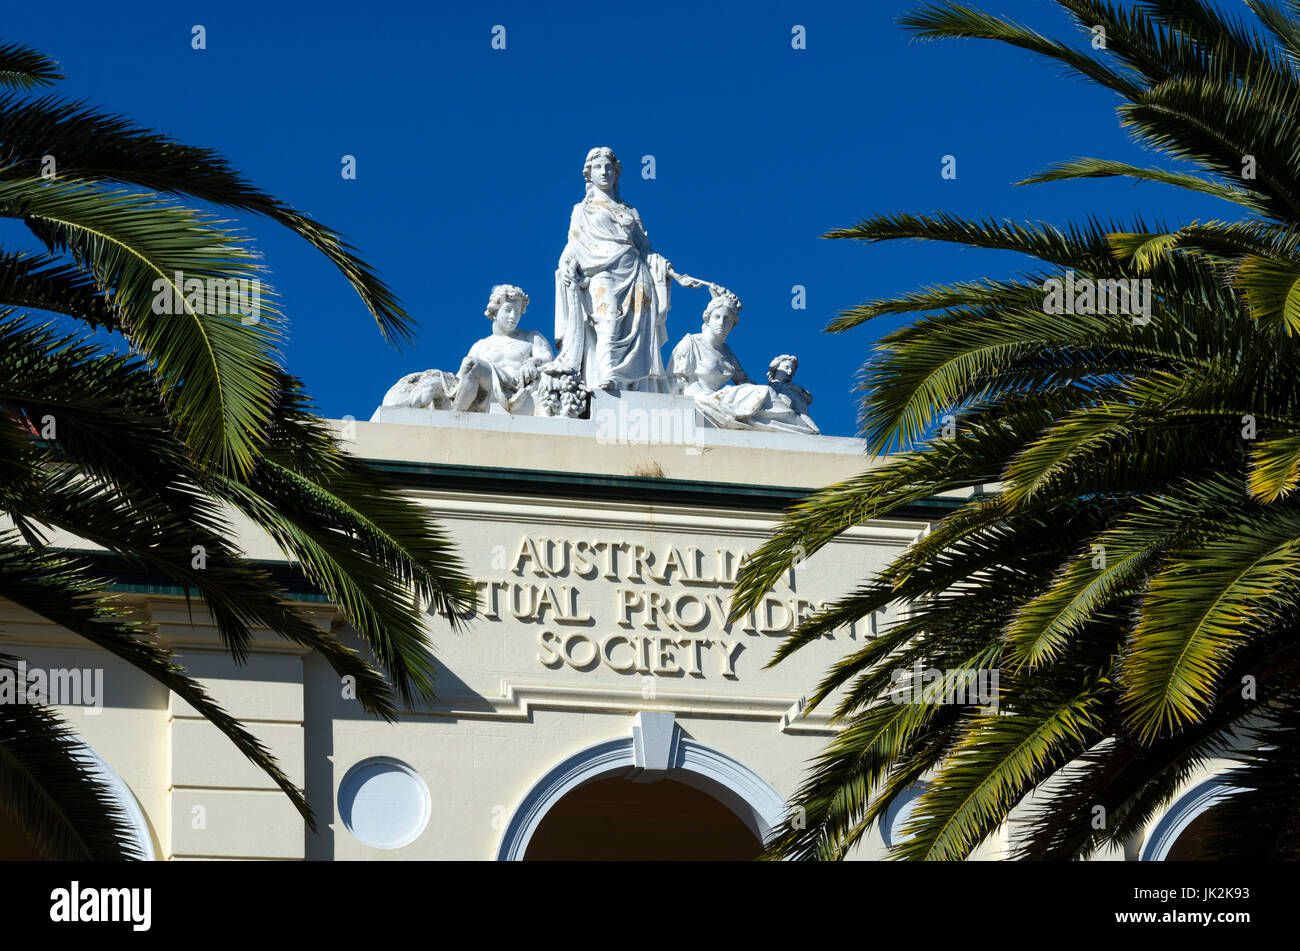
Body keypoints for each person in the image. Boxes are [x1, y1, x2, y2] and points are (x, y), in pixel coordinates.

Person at [552, 147, 699, 392]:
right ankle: (606, 374)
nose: (604, 172)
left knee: (638, 331)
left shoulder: (630, 212)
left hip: (635, 271)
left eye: (609, 167)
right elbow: (574, 243)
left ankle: (633, 385)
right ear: (589, 173)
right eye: (598, 167)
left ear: (616, 172)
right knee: (607, 319)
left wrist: (673, 274)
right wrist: (565, 262)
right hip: (600, 270)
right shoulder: (582, 210)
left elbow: (646, 249)